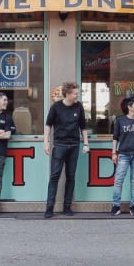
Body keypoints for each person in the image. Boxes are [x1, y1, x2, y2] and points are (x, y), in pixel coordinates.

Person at [43, 82, 89, 218]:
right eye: (75, 93)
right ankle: (49, 208)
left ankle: (67, 207)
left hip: (74, 145)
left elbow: (83, 127)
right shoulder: (56, 107)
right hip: (59, 145)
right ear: (68, 94)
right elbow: (48, 125)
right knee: (54, 176)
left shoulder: (78, 106)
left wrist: (86, 144)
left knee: (71, 176)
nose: (77, 95)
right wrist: (46, 143)